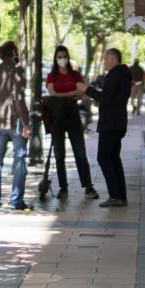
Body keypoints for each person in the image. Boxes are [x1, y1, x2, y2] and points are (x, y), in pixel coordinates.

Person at [45, 45, 98, 200]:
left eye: (65, 56)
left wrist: (74, 94)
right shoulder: (51, 76)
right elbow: (52, 93)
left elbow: (82, 93)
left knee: (80, 152)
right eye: (59, 56)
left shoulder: (75, 75)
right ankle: (63, 187)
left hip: (73, 115)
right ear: (56, 59)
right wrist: (73, 93)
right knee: (59, 154)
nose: (62, 59)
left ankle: (88, 186)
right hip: (57, 117)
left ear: (68, 57)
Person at [0, 41, 32, 210]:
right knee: (19, 160)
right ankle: (16, 201)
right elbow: (18, 100)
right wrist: (26, 123)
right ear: (14, 52)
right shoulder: (17, 71)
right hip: (15, 122)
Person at [83, 48, 131, 207]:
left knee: (103, 158)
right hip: (117, 122)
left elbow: (105, 96)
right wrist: (100, 102)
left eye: (106, 58)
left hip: (110, 124)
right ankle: (120, 196)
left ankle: (115, 196)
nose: (104, 61)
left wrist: (87, 89)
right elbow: (112, 98)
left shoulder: (114, 75)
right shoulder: (123, 75)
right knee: (113, 159)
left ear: (114, 59)